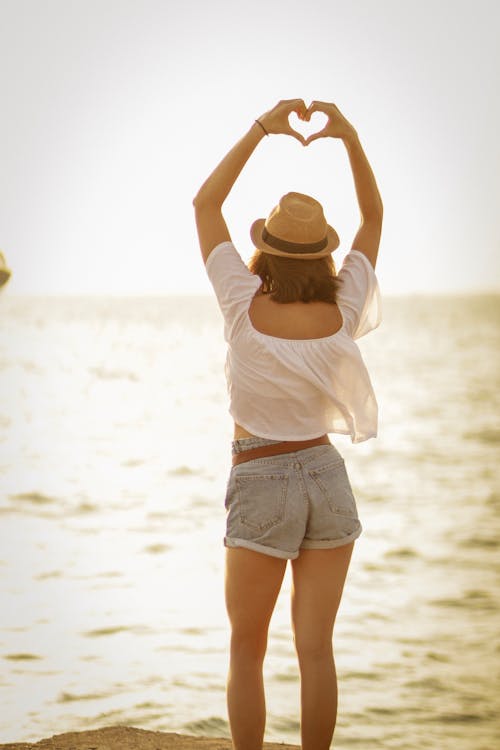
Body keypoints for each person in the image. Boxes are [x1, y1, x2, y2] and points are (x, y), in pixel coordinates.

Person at [193, 99, 383, 750]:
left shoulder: (240, 302)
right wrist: (348, 136)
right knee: (317, 652)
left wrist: (262, 129)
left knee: (247, 650)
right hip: (327, 476)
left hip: (261, 474)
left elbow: (204, 206)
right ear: (323, 253)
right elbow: (375, 217)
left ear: (266, 248)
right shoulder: (344, 305)